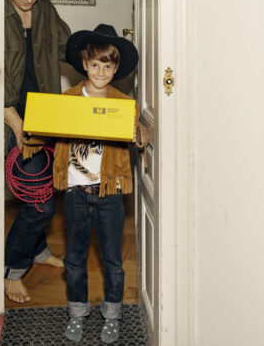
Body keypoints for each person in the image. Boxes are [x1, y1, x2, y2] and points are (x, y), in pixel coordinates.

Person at [52, 24, 148, 343]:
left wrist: (138, 135)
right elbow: (48, 129)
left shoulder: (124, 104)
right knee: (74, 258)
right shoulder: (67, 99)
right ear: (84, 63)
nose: (101, 72)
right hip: (76, 192)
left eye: (108, 66)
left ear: (116, 68)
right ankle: (77, 312)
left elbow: (140, 135)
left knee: (112, 260)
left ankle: (113, 315)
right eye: (95, 65)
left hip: (110, 194)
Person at [3, 0, 71, 303]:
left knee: (46, 186)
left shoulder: (45, 10)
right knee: (38, 200)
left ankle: (39, 250)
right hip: (10, 114)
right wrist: (14, 122)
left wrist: (101, 56)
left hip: (45, 113)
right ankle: (12, 269)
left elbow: (68, 47)